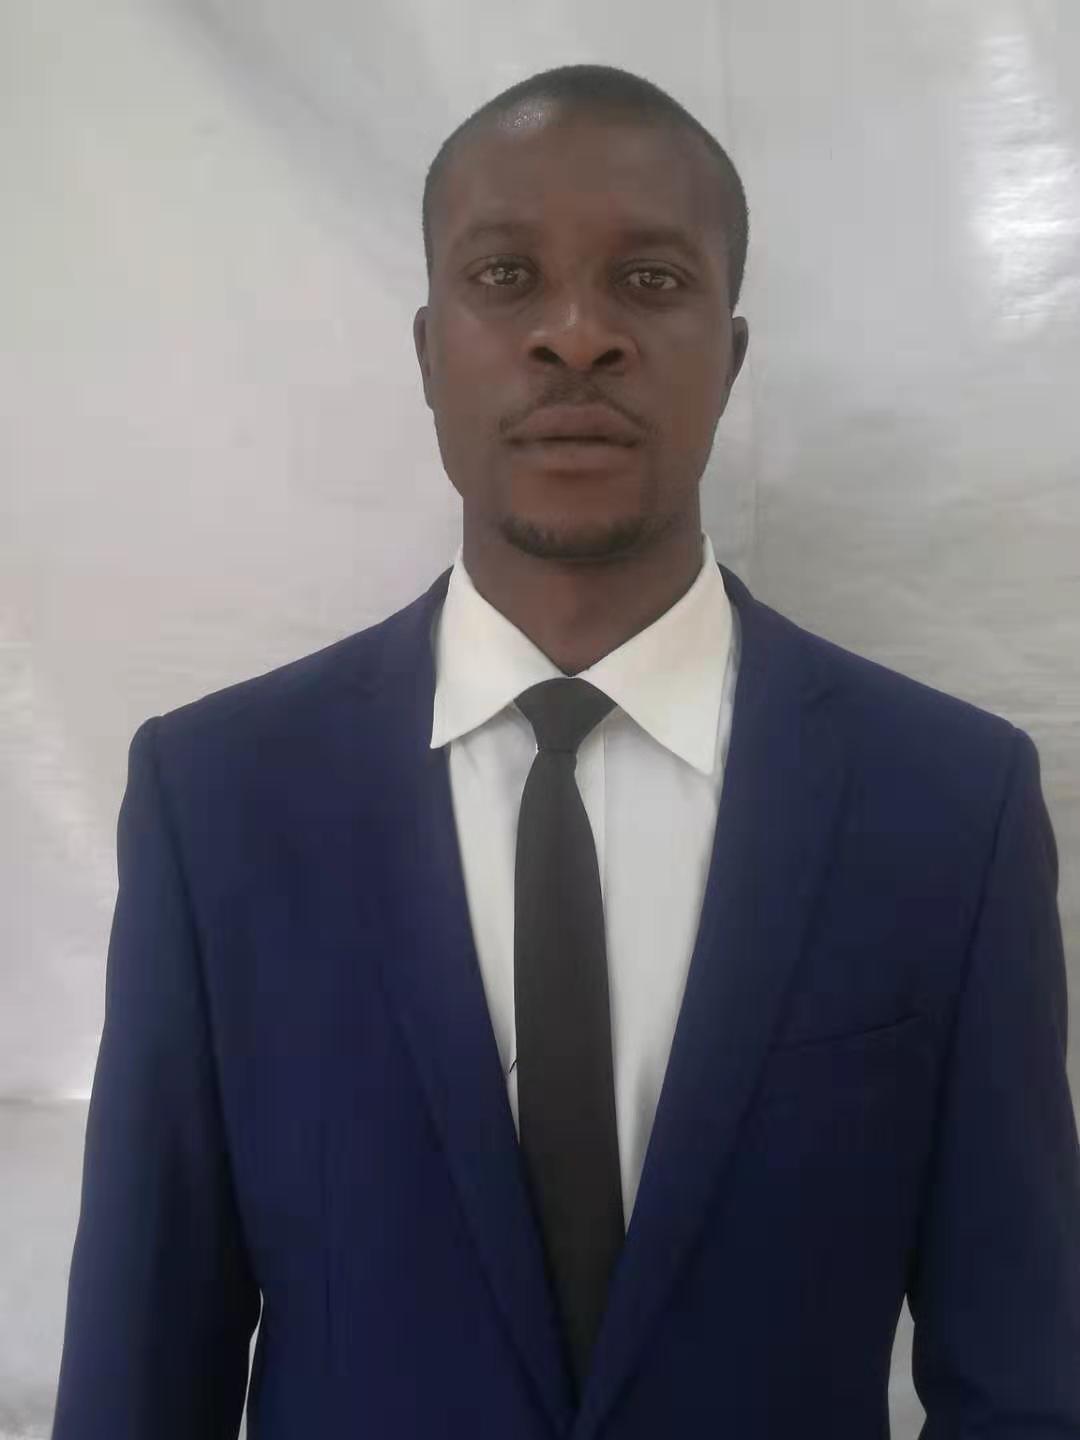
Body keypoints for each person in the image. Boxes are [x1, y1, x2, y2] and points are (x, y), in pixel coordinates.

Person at [52, 63, 1080, 1439]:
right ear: (430, 351)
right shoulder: (220, 803)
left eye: (650, 281)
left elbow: (1023, 1378)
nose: (577, 336)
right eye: (506, 277)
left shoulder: (949, 807)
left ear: (731, 353)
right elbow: (140, 1368)